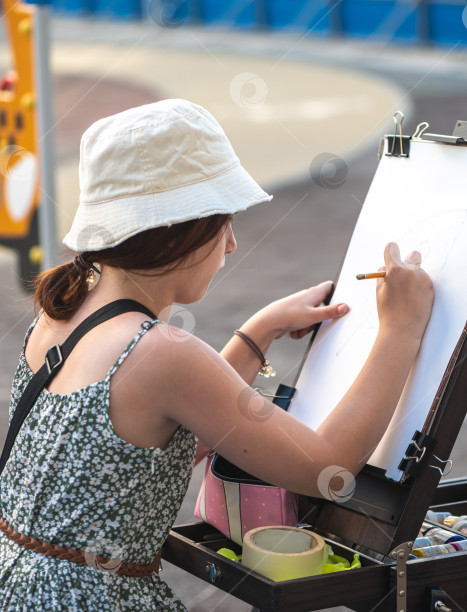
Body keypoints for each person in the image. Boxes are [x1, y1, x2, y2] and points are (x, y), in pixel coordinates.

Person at [0, 99, 434, 611]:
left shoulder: (63, 311)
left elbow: (166, 431)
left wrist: (258, 332)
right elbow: (329, 470)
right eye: (221, 222)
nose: (230, 244)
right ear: (177, 229)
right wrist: (401, 330)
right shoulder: (160, 351)